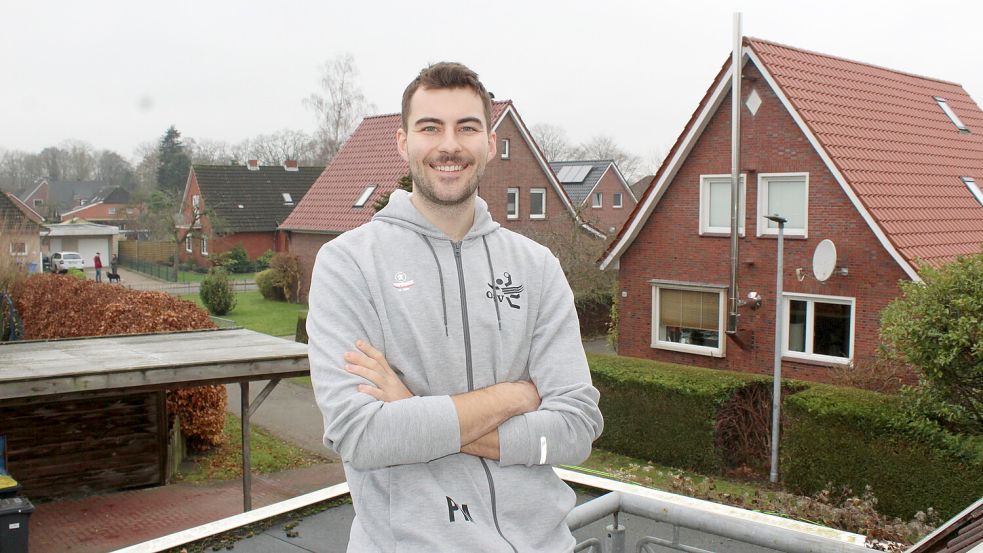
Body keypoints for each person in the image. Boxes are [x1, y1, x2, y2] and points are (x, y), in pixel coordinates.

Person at [307, 62, 603, 552]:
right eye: (430, 128)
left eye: (467, 127)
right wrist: (514, 396)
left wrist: (412, 413)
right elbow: (362, 436)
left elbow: (575, 432)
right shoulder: (348, 264)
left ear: (489, 143)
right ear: (403, 143)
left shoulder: (537, 266)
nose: (449, 145)